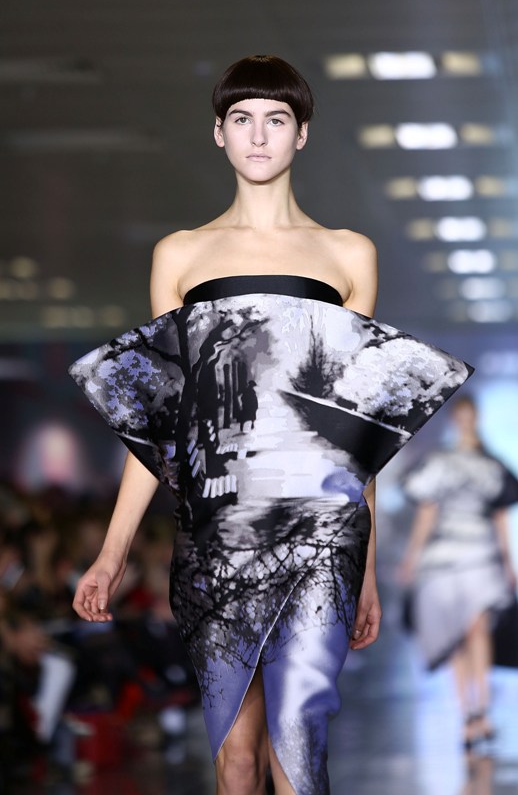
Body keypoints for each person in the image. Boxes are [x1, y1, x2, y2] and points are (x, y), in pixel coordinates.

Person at [70, 56, 472, 795]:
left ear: (302, 134)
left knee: (298, 744)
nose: (259, 136)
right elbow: (161, 423)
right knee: (236, 757)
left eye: (276, 119)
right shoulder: (180, 254)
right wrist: (112, 551)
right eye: (243, 119)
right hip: (214, 530)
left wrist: (367, 569)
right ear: (219, 133)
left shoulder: (348, 253)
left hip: (323, 531)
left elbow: (358, 432)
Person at [400, 395, 518, 753]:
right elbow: (426, 514)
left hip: (481, 555)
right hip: (442, 559)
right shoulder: (440, 463)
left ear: (476, 418)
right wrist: (412, 558)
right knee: (454, 637)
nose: (465, 421)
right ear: (455, 419)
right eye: (461, 416)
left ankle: (482, 708)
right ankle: (467, 714)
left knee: (476, 629)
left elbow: (500, 517)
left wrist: (508, 563)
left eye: (470, 415)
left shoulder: (491, 465)